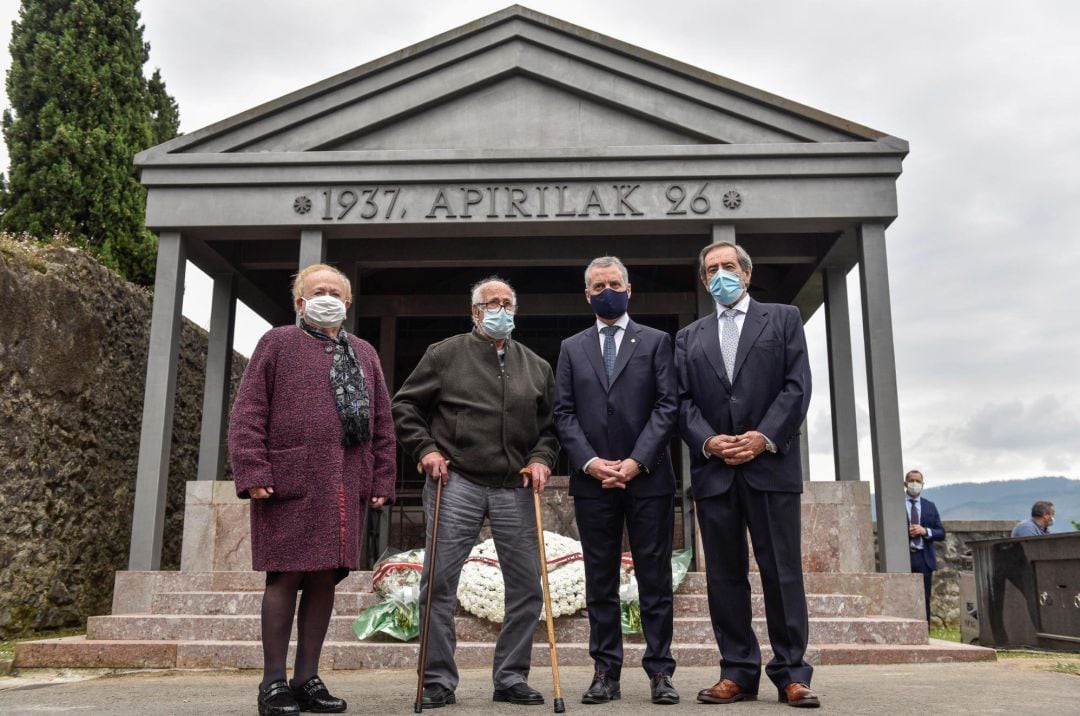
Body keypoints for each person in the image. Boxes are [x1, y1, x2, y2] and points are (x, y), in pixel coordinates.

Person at [229, 263, 397, 716]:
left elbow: (382, 422)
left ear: (348, 302)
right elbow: (248, 411)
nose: (326, 297)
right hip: (288, 480)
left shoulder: (363, 352)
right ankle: (272, 684)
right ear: (300, 302)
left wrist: (382, 477)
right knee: (285, 575)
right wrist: (252, 470)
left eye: (335, 292)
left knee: (325, 576)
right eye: (316, 291)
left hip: (345, 483)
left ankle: (307, 679)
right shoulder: (276, 343)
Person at [392, 276, 559, 709]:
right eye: (491, 303)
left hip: (514, 485)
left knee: (526, 586)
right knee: (439, 583)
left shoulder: (536, 365)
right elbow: (405, 405)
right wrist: (426, 450)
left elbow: (550, 429)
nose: (500, 309)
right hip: (457, 480)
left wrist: (542, 459)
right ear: (475, 312)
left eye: (507, 303)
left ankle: (511, 677)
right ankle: (437, 681)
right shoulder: (444, 354)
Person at [676, 241, 819, 708]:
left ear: (747, 273)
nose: (721, 274)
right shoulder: (689, 336)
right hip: (715, 472)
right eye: (712, 269)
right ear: (704, 281)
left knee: (782, 573)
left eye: (728, 266)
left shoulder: (782, 319)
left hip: (770, 466)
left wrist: (762, 437)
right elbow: (681, 402)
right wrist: (708, 440)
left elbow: (797, 387)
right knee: (724, 576)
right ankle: (737, 670)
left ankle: (792, 673)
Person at [553, 256, 680, 706]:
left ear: (629, 288)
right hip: (593, 484)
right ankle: (605, 670)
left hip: (647, 480)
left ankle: (661, 671)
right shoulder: (572, 347)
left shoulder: (657, 341)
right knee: (599, 580)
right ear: (586, 295)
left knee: (654, 578)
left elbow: (668, 406)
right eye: (598, 285)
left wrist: (637, 460)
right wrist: (588, 461)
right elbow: (563, 413)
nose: (607, 289)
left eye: (614, 282)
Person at [903, 469, 945, 624]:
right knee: (903, 598)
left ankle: (925, 634)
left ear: (922, 484)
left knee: (924, 599)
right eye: (912, 480)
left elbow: (941, 533)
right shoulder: (896, 506)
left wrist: (924, 531)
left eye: (918, 481)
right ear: (905, 483)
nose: (915, 484)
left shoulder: (929, 506)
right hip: (904, 558)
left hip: (924, 558)